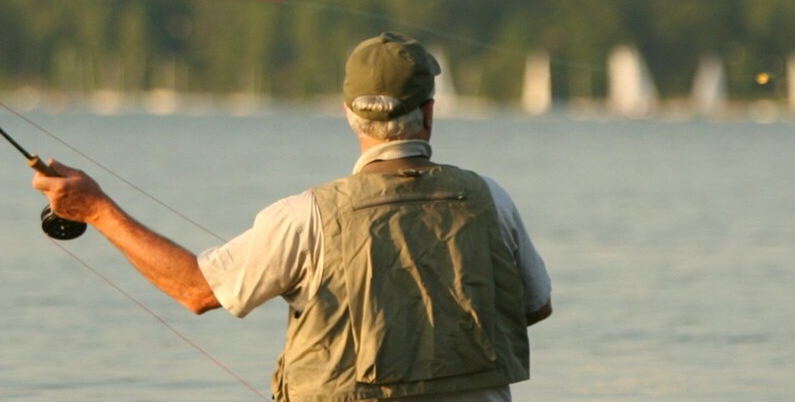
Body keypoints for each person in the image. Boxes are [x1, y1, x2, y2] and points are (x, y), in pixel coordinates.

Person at [32, 32, 553, 402]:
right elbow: (535, 305)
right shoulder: (491, 199)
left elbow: (195, 290)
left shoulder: (307, 217)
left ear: (350, 115)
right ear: (429, 113)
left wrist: (97, 210)